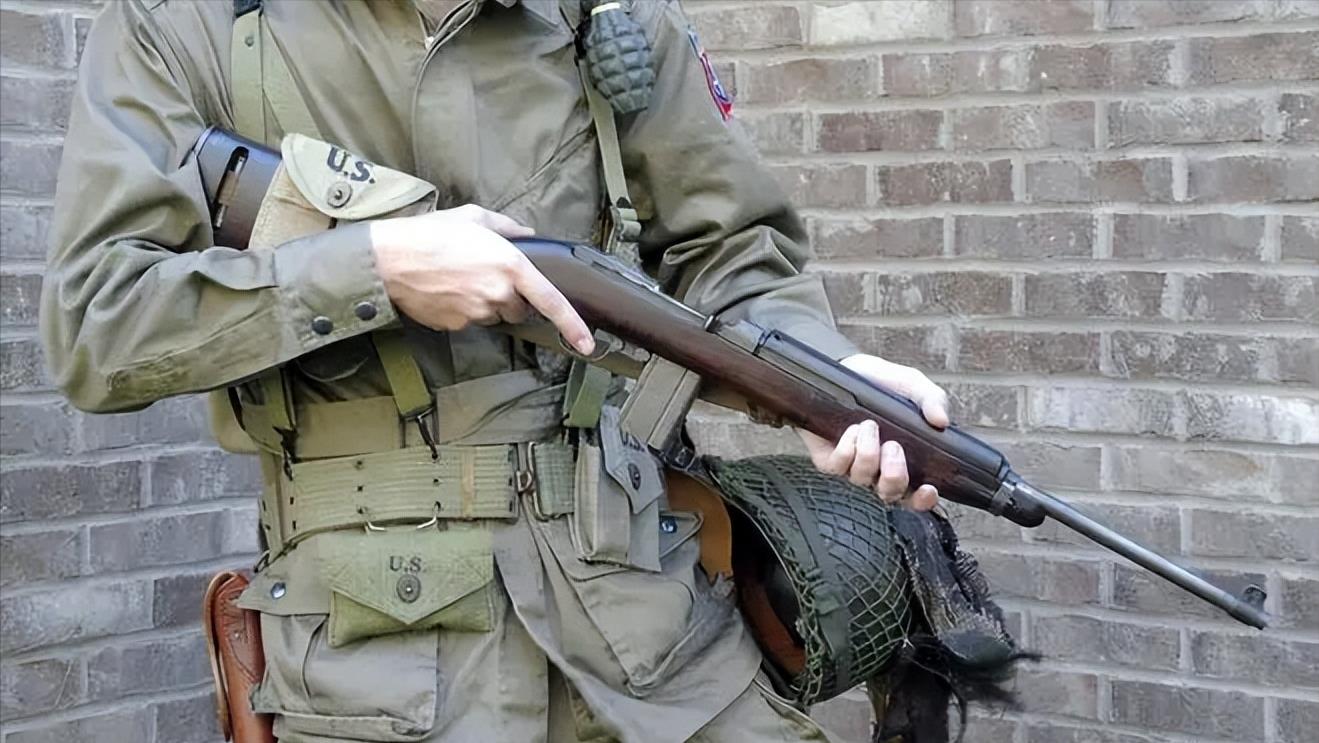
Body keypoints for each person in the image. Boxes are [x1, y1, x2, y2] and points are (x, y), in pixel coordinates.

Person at [41, 1, 951, 741]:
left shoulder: (611, 18)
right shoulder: (182, 23)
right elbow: (97, 328)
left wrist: (825, 376)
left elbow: (732, 252)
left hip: (652, 634)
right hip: (378, 662)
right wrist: (372, 272)